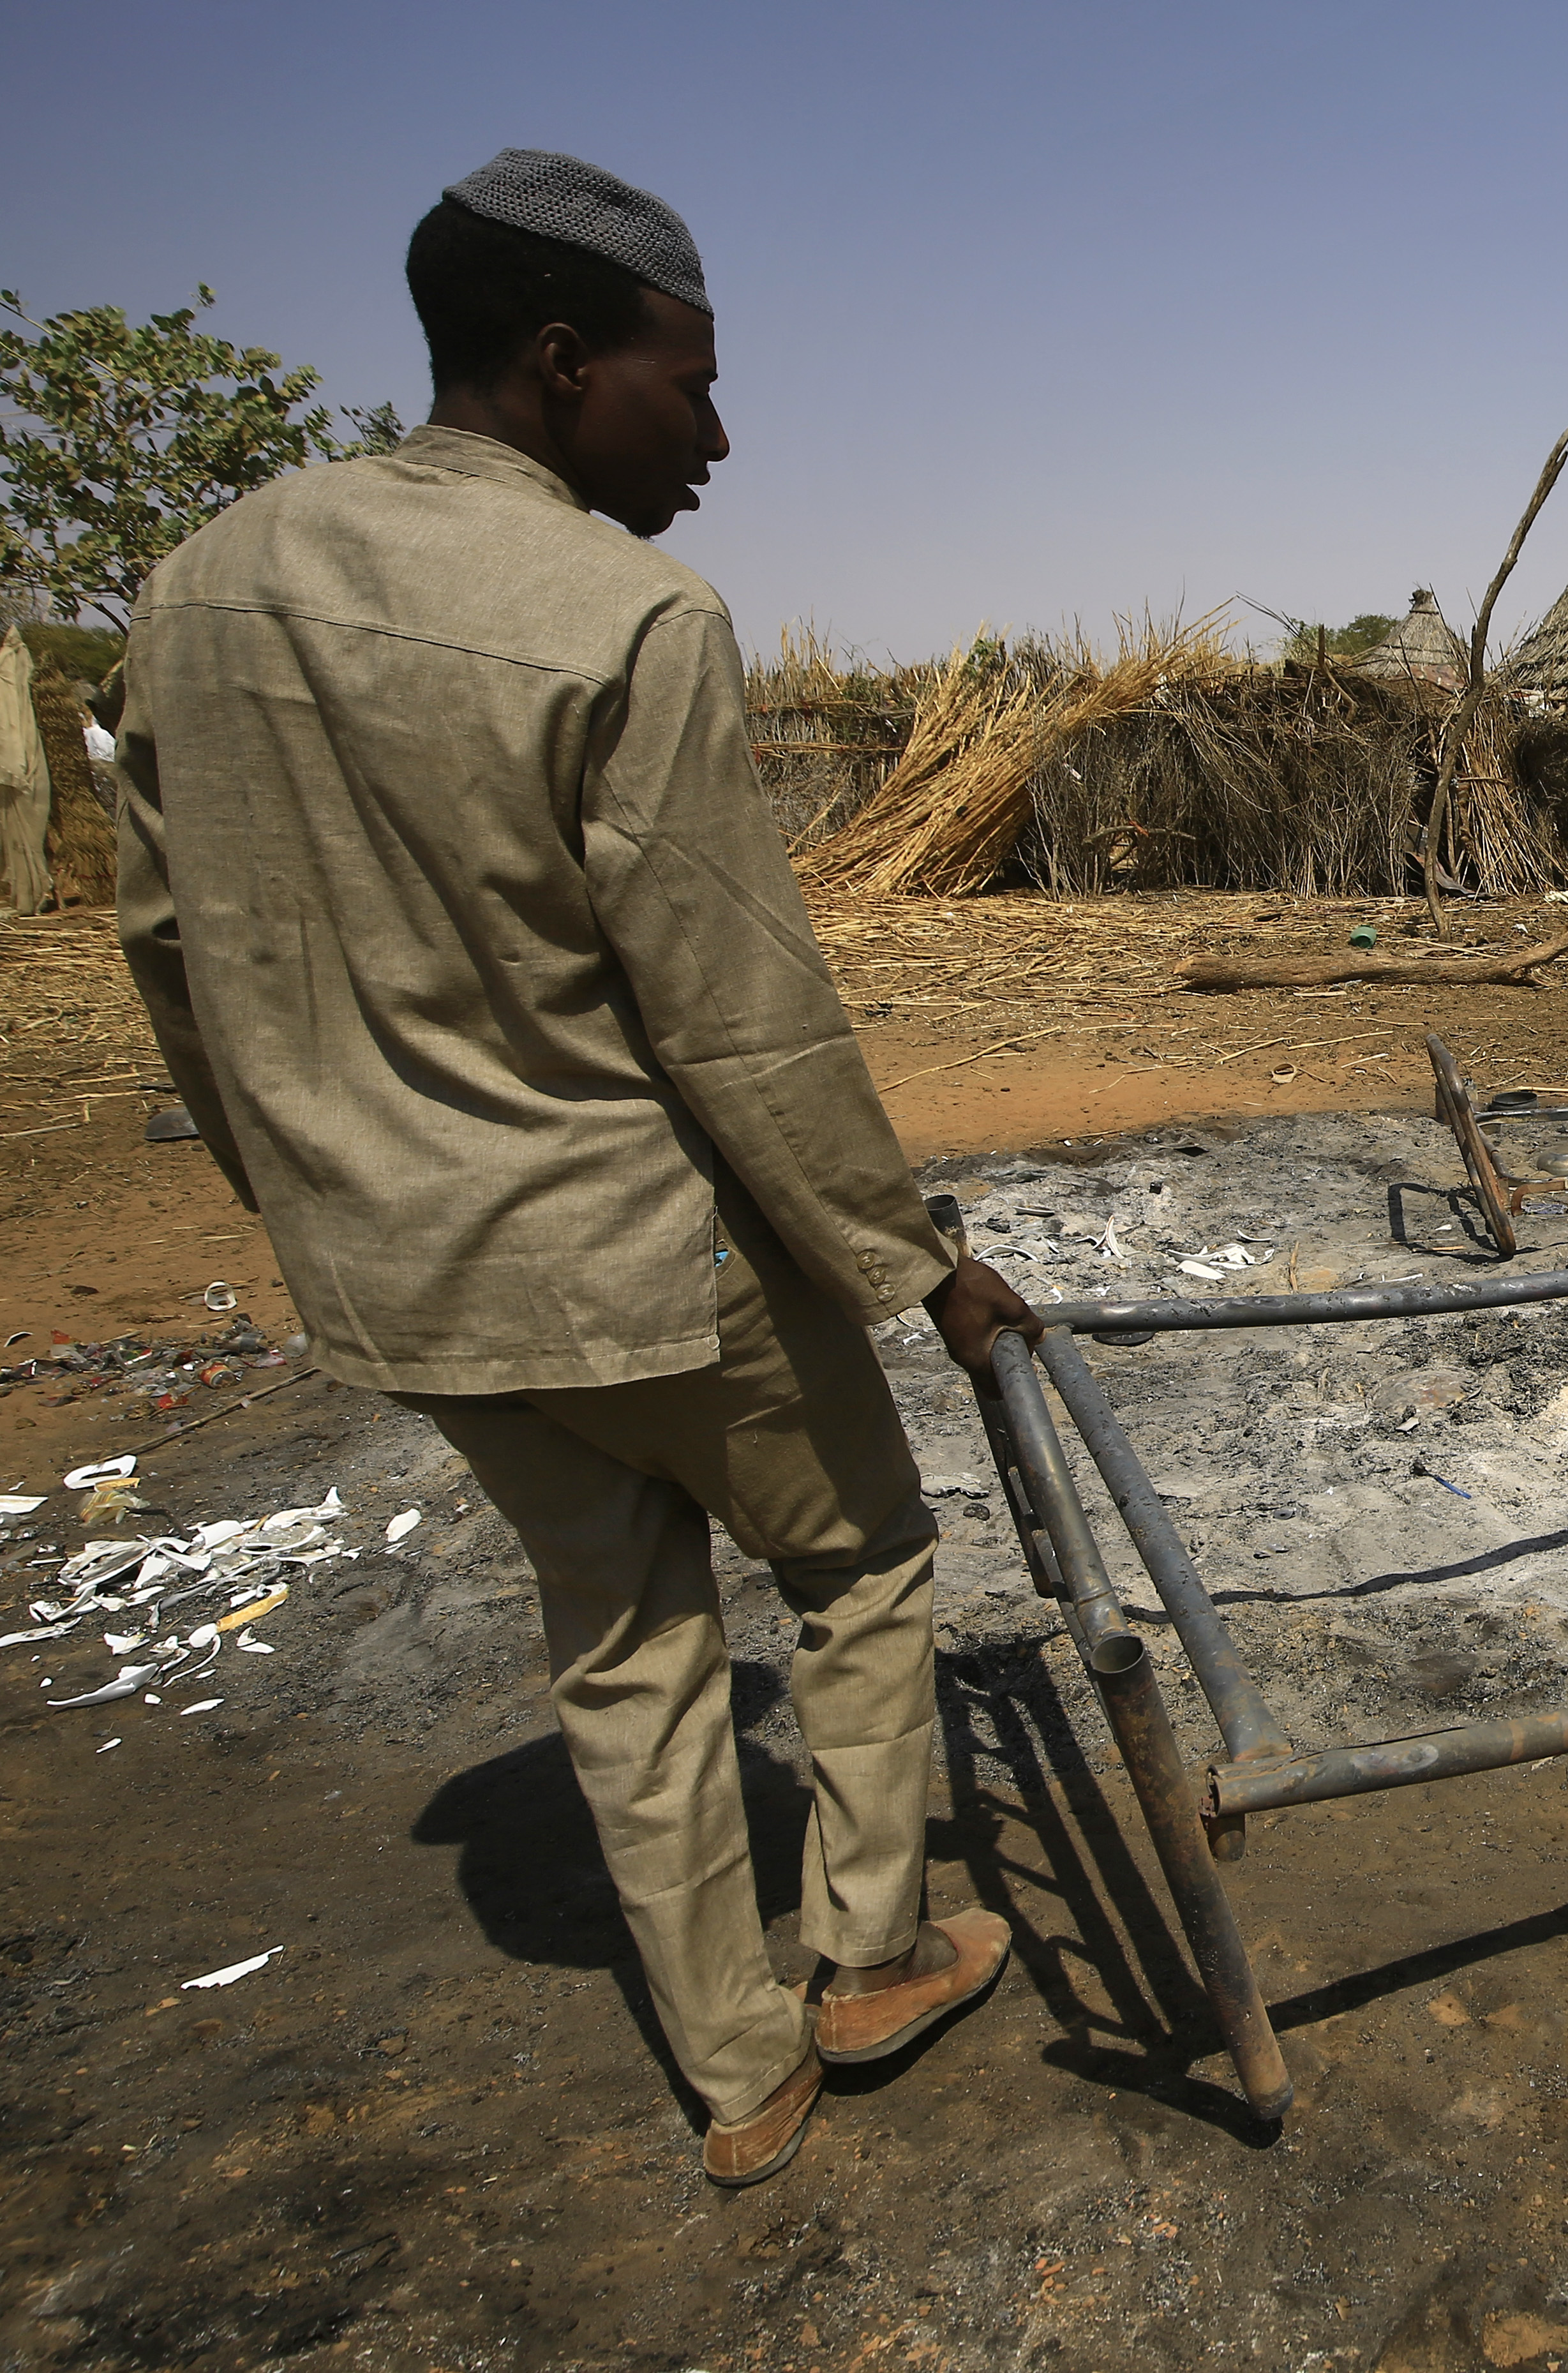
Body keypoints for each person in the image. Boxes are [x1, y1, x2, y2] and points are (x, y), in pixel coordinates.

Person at [112, 151, 1037, 2188]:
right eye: (686, 385)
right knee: (861, 1563)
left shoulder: (200, 586)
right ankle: (870, 1958)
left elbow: (171, 950)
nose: (715, 435)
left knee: (620, 1644)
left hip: (409, 1274)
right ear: (557, 363)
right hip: (638, 1254)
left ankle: (736, 2073)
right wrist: (914, 1267)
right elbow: (736, 1014)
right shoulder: (626, 614)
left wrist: (310, 1194)